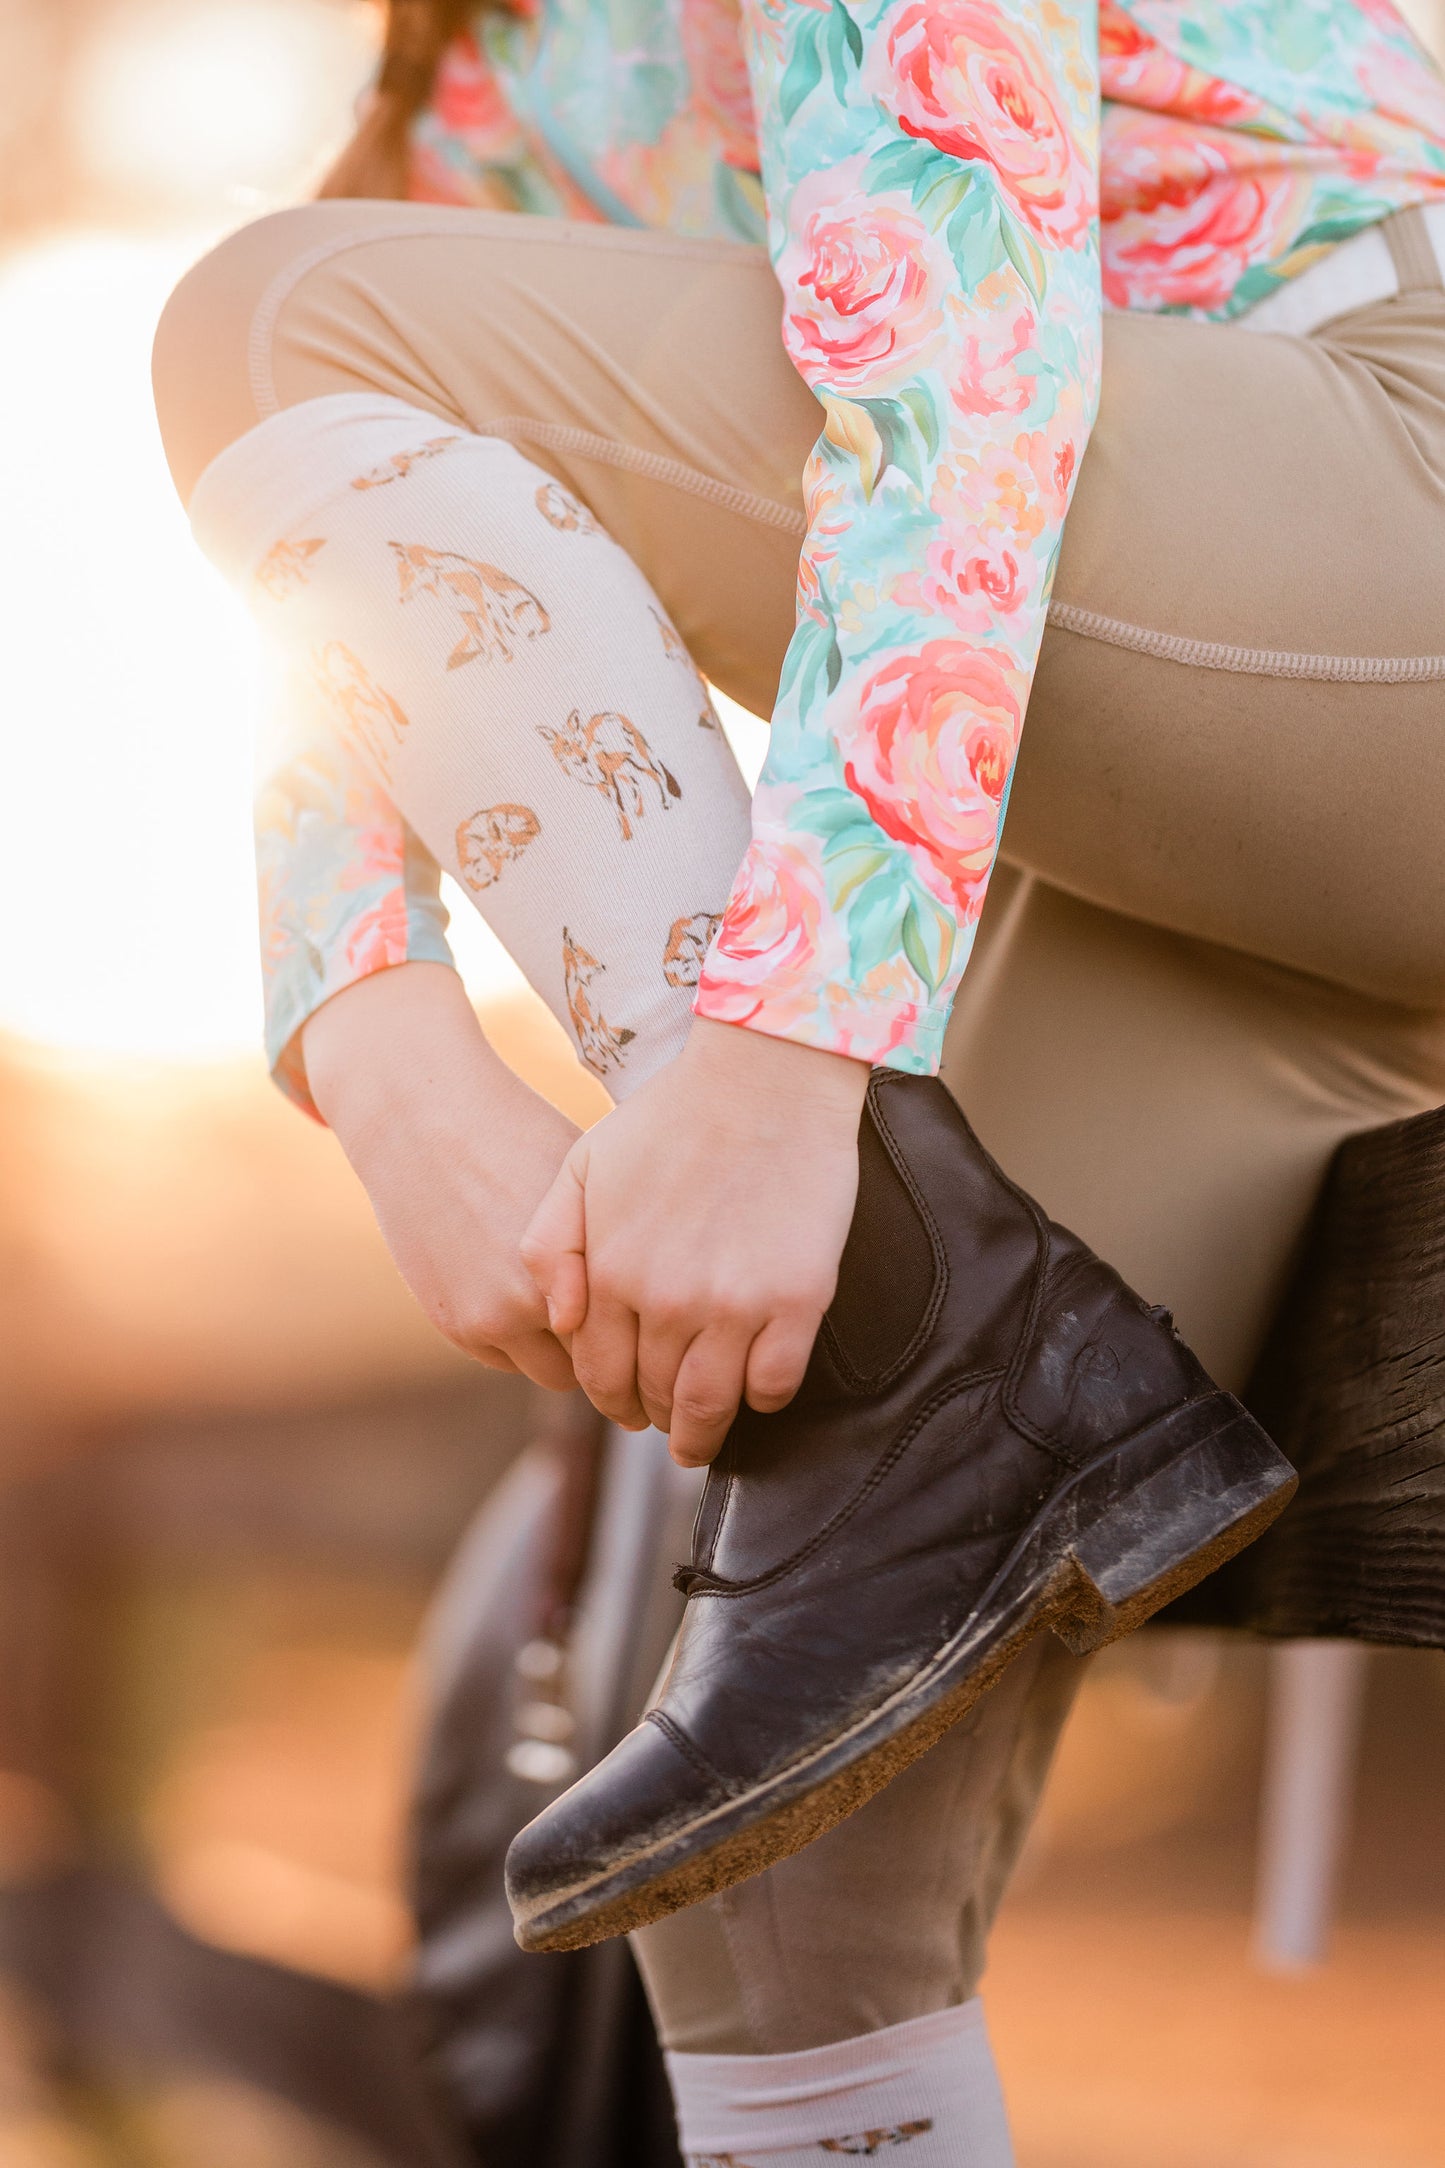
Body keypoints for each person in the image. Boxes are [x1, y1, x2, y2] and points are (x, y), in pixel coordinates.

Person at [151, 0, 1445, 2158]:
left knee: (272, 317)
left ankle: (900, 1289)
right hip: (1164, 812)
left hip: (1380, 495)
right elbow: (344, 564)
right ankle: (925, 1344)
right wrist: (364, 1035)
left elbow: (958, 370)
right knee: (772, 1821)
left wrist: (764, 1059)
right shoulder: (485, 73)